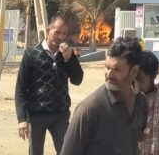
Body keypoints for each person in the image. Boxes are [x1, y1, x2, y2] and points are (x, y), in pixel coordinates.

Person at [59, 36, 147, 155]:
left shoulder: (141, 103)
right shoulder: (89, 110)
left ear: (134, 71)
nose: (109, 75)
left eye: (117, 70)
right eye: (107, 67)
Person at [16, 15, 85, 154]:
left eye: (64, 34)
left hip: (60, 115)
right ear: (48, 30)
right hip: (36, 115)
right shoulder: (31, 53)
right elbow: (21, 88)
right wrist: (22, 118)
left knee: (67, 151)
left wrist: (69, 59)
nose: (61, 37)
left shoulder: (67, 54)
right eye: (57, 32)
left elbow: (77, 80)